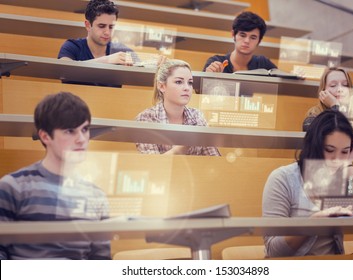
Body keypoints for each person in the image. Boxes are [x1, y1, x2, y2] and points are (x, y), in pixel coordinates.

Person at [0, 92, 111, 260]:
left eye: (85, 129)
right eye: (69, 131)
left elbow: (101, 262)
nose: (81, 139)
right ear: (45, 136)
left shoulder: (96, 195)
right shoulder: (13, 187)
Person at [262, 109, 353, 258]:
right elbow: (274, 251)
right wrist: (313, 224)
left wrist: (349, 167)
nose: (337, 160)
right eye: (329, 150)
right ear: (314, 145)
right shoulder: (283, 179)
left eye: (345, 151)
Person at [135, 59, 221, 156]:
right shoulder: (145, 118)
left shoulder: (197, 116)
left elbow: (213, 159)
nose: (187, 88)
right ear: (162, 86)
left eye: (190, 83)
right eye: (179, 82)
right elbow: (153, 165)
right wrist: (185, 145)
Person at [58, 0, 137, 66]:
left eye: (111, 27)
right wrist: (107, 60)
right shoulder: (72, 46)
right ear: (88, 25)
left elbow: (144, 66)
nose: (107, 32)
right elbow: (65, 70)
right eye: (101, 26)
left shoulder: (120, 50)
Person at [203, 11, 276, 73]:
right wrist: (209, 75)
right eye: (242, 35)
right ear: (233, 34)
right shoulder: (217, 62)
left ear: (259, 40)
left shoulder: (263, 63)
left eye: (253, 37)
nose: (247, 41)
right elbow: (198, 88)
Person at [302, 67, 353, 131]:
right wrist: (335, 106)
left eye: (345, 85)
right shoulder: (313, 116)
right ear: (323, 90)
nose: (340, 89)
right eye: (333, 85)